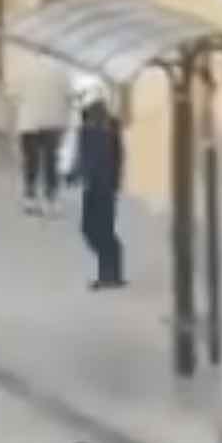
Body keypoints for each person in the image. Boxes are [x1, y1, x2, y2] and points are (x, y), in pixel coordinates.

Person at [69, 78, 126, 290]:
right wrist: (75, 174)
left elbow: (101, 159)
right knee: (93, 230)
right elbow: (84, 158)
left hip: (102, 186)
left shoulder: (105, 131)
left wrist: (78, 174)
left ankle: (110, 274)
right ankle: (110, 271)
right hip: (96, 186)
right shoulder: (90, 131)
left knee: (100, 230)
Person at [10, 50, 71, 215]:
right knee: (51, 161)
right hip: (53, 122)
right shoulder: (62, 72)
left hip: (28, 122)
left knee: (31, 161)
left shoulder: (25, 68)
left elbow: (13, 94)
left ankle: (30, 197)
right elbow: (69, 96)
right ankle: (51, 199)